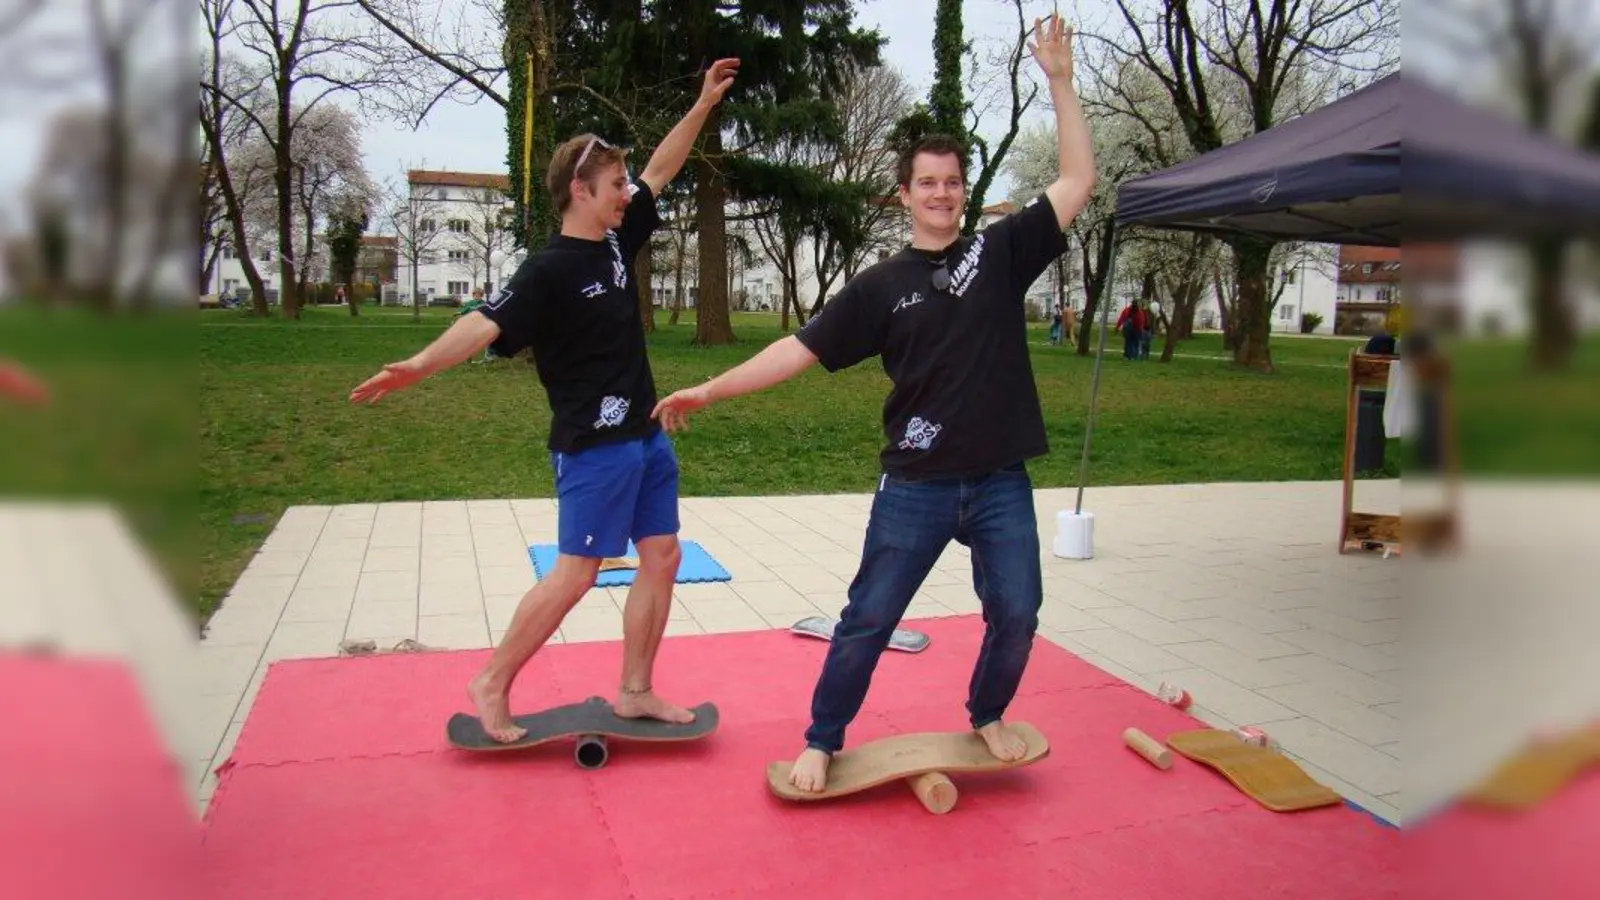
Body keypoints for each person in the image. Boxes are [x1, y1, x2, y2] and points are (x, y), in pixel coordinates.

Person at [651, 14, 1093, 792]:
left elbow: (1077, 181)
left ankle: (988, 712)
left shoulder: (999, 252)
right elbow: (796, 350)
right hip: (916, 484)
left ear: (963, 192)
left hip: (999, 479)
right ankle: (822, 739)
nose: (942, 193)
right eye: (928, 183)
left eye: (952, 182)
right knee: (868, 618)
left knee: (1019, 612)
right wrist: (710, 388)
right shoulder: (880, 287)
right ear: (905, 195)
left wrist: (1059, 81)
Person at [349, 57, 740, 742]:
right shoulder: (548, 270)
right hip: (592, 447)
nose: (627, 193)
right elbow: (484, 324)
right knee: (576, 574)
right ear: (580, 191)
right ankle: (491, 681)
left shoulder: (617, 241)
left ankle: (635, 691)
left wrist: (703, 104)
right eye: (614, 185)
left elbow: (661, 169)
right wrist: (417, 366)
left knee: (663, 556)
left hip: (646, 437)